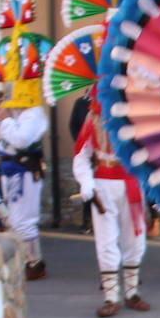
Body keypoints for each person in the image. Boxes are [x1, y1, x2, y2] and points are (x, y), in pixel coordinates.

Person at [71, 102, 150, 317]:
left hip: (132, 182)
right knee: (106, 239)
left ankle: (132, 292)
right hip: (104, 183)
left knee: (135, 238)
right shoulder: (94, 118)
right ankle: (111, 296)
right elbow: (81, 155)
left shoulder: (140, 114)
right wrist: (86, 182)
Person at [0, 84, 49, 279]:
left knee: (24, 220)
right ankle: (25, 259)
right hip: (11, 171)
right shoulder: (19, 112)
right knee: (16, 220)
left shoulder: (33, 113)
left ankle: (33, 262)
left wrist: (6, 120)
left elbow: (20, 140)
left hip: (23, 172)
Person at [69, 95, 95, 235]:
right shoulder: (80, 103)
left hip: (101, 153)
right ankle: (87, 222)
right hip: (86, 150)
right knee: (87, 187)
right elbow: (73, 125)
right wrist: (80, 142)